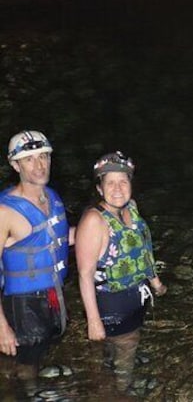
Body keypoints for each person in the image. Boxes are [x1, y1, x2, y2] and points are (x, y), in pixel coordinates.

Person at [75, 151, 166, 392]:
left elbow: (143, 249)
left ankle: (115, 384)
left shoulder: (131, 209)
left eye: (123, 181)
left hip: (136, 298)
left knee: (124, 348)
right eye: (110, 182)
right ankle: (119, 393)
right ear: (99, 188)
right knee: (124, 352)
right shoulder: (95, 220)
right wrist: (94, 321)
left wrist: (155, 282)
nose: (118, 188)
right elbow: (85, 274)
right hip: (112, 305)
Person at [0, 130, 73, 382]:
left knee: (43, 345)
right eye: (29, 159)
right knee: (24, 359)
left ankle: (34, 384)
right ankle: (23, 390)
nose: (39, 165)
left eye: (44, 156)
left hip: (52, 291)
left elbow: (60, 238)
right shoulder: (5, 211)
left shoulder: (51, 196)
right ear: (15, 164)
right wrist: (2, 328)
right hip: (22, 303)